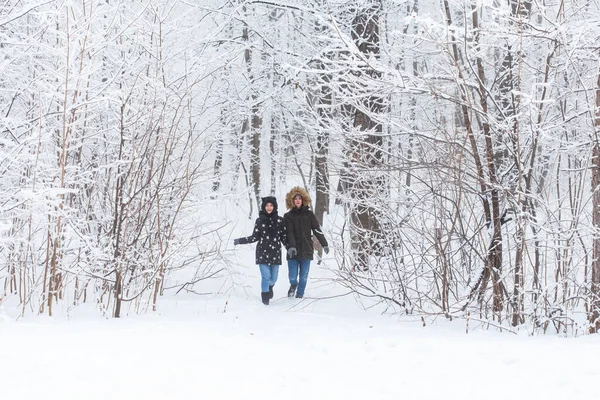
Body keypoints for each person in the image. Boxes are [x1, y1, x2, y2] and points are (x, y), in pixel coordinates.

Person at [233, 196, 287, 305]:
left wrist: (290, 247)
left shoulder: (280, 220)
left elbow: (283, 237)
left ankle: (270, 286)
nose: (269, 207)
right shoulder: (259, 220)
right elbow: (255, 237)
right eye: (267, 205)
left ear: (274, 207)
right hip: (262, 253)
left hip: (275, 253)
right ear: (264, 207)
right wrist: (240, 241)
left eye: (271, 205)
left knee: (273, 278)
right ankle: (265, 297)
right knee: (265, 277)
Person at [283, 187, 329, 299]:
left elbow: (316, 229)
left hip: (307, 250)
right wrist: (291, 247)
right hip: (292, 251)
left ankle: (299, 296)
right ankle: (293, 285)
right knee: (292, 276)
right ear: (292, 201)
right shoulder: (288, 216)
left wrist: (324, 243)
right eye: (295, 198)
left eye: (300, 198)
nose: (298, 200)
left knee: (303, 276)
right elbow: (289, 233)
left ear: (303, 200)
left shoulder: (309, 215)